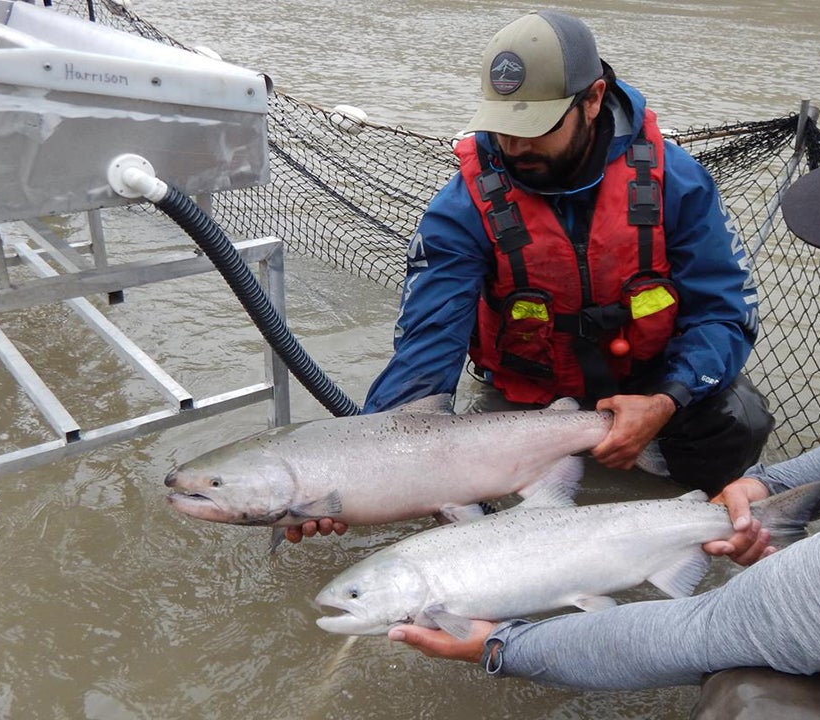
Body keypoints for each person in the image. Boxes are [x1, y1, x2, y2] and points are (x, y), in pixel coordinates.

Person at [386, 59, 820, 719]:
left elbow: (708, 628)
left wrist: (502, 644)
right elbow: (425, 350)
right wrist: (769, 483)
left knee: (751, 695)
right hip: (535, 397)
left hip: (663, 394)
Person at [288, 11, 771, 545]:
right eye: (504, 127)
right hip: (526, 401)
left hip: (649, 386)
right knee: (485, 527)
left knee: (738, 421)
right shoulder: (462, 207)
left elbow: (724, 313)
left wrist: (665, 401)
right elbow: (425, 351)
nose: (515, 148)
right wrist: (354, 475)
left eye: (536, 127)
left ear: (592, 100)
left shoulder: (677, 183)